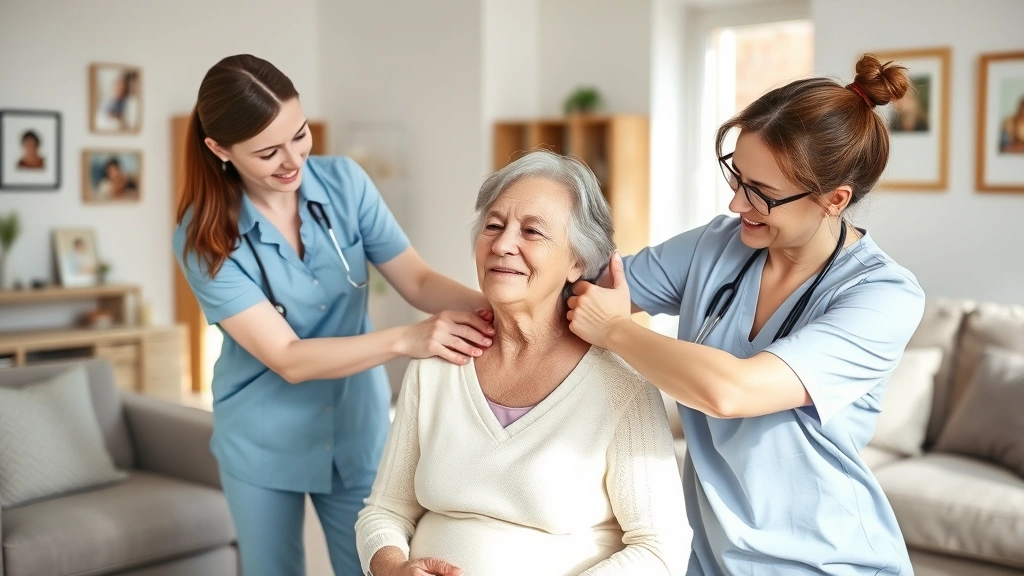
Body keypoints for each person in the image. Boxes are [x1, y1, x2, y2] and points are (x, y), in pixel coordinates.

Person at [567, 54, 926, 574]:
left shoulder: (883, 295)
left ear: (834, 199)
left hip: (828, 562)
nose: (737, 204)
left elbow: (730, 393)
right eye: (737, 177)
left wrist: (615, 329)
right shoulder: (716, 246)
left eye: (762, 194)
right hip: (707, 554)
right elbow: (586, 291)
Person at [172, 54, 494, 576]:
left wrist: (503, 308)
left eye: (299, 135)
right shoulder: (204, 236)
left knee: (373, 566)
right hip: (261, 437)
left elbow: (417, 279)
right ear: (219, 150)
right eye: (267, 152)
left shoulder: (345, 182)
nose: (292, 159)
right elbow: (288, 357)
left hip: (354, 426)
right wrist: (407, 340)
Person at [355, 151, 687, 576]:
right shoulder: (440, 360)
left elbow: (661, 550)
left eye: (532, 231)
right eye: (493, 225)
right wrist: (392, 568)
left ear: (577, 263)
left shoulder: (621, 384)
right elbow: (383, 511)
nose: (502, 244)